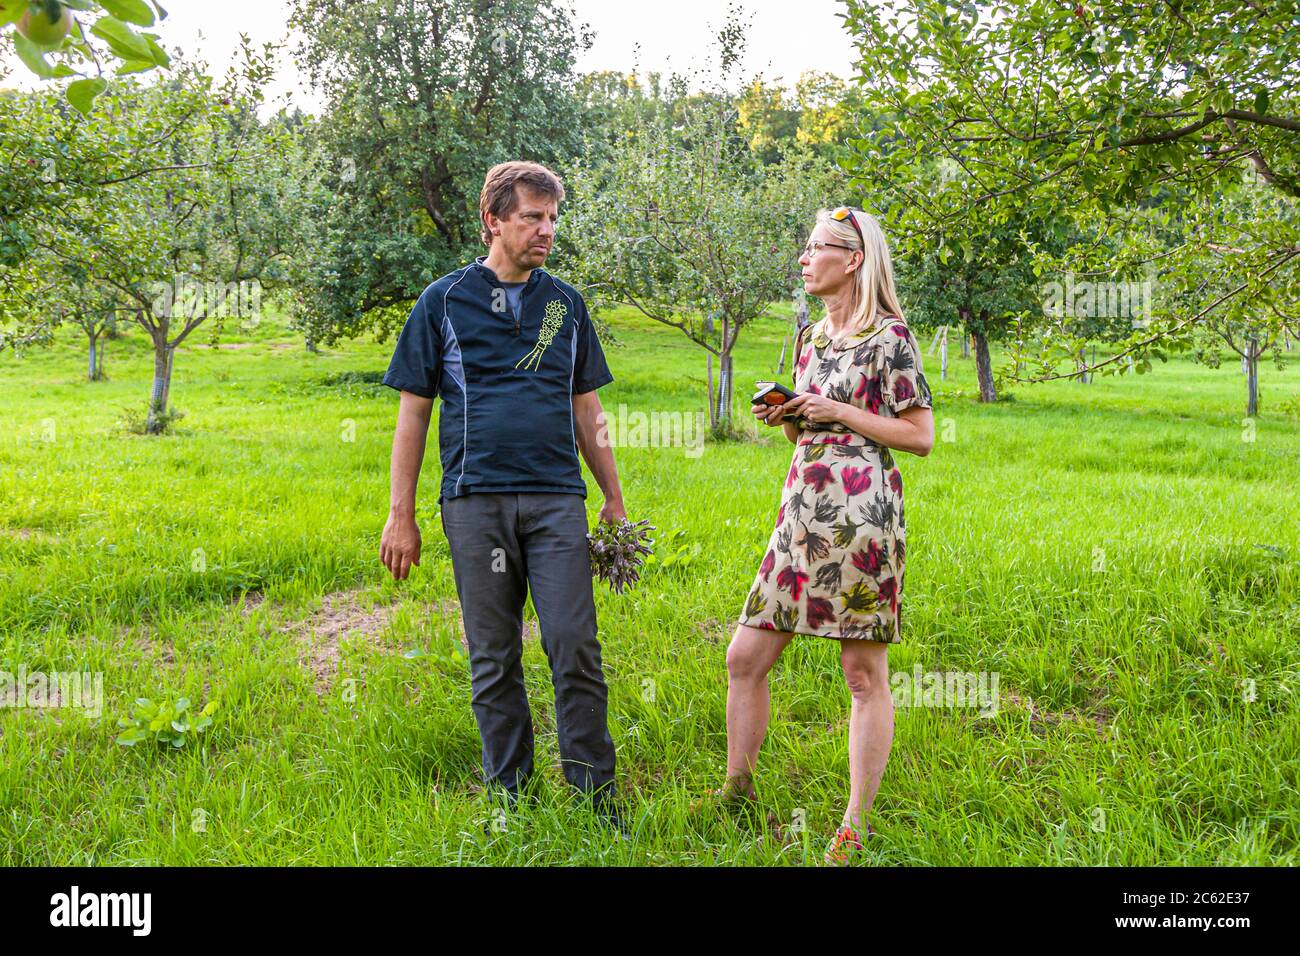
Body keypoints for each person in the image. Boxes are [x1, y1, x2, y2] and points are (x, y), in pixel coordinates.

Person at [379, 160, 627, 833]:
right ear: (493, 220)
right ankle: (511, 802)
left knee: (575, 645)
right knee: (494, 657)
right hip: (473, 501)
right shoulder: (443, 301)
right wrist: (401, 516)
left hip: (555, 500)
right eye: (532, 218)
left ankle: (595, 801)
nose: (546, 231)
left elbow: (587, 406)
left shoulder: (566, 305)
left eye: (552, 218)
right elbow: (413, 415)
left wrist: (613, 496)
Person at [711, 206, 935, 864]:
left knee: (862, 674)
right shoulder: (812, 338)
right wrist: (786, 413)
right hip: (802, 517)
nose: (804, 259)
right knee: (743, 658)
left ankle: (854, 826)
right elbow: (807, 433)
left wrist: (838, 409)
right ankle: (736, 791)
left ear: (854, 259)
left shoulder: (889, 337)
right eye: (805, 248)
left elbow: (919, 437)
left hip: (863, 522)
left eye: (817, 249)